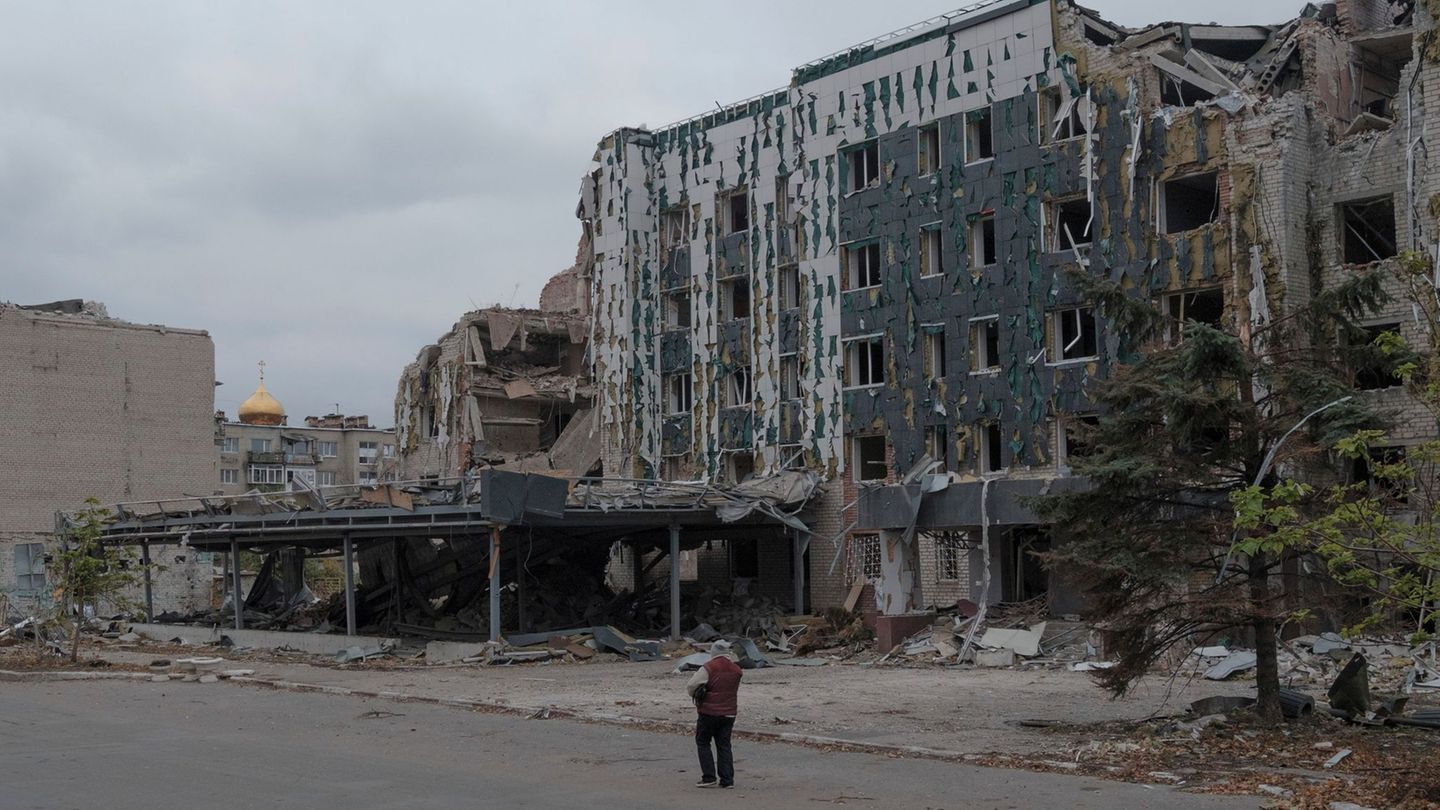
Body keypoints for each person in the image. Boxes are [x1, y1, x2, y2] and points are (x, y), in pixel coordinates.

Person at [685, 639, 743, 788]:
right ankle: (727, 780)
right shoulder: (737, 670)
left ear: (713, 652)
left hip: (708, 712)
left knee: (703, 742)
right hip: (729, 712)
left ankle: (709, 777)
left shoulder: (709, 667)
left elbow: (691, 685)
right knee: (724, 745)